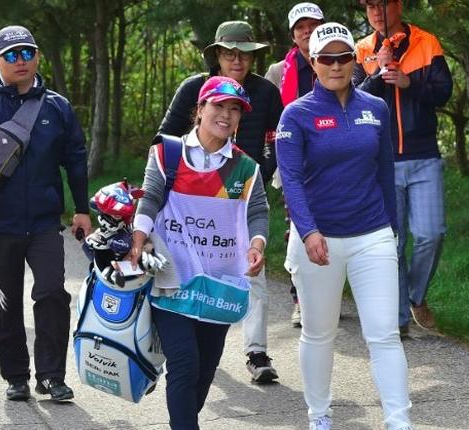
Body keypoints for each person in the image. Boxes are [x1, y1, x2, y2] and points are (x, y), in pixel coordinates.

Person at [277, 23, 413, 430]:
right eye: (326, 58)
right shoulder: (295, 114)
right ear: (313, 63)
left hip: (371, 234)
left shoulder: (376, 108)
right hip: (318, 240)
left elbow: (385, 172)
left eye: (343, 57)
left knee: (384, 334)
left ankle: (398, 420)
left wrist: (391, 230)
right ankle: (319, 415)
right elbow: (293, 181)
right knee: (319, 334)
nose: (336, 65)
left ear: (355, 60)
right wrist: (308, 231)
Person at [0, 25, 90, 402]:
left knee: (52, 295)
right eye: (11, 55)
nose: (20, 61)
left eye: (26, 52)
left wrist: (82, 209)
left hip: (44, 223)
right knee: (5, 303)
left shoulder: (58, 108)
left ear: (38, 56)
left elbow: (75, 160)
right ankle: (16, 376)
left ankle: (51, 376)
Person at [130, 76, 269, 429]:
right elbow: (150, 197)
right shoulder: (167, 153)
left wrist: (256, 245)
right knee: (185, 363)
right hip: (172, 279)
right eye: (219, 106)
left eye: (234, 109)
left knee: (204, 371)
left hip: (219, 286)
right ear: (200, 109)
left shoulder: (246, 168)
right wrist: (139, 236)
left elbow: (257, 212)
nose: (226, 114)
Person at [158, 20, 283, 384]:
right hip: (190, 196)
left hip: (241, 194)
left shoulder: (265, 92)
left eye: (245, 55)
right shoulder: (194, 88)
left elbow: (278, 136)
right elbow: (164, 136)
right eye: (230, 54)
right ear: (217, 55)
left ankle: (256, 351)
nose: (238, 61)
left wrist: (265, 167)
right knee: (186, 267)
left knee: (251, 269)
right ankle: (179, 340)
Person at [353, 0, 453, 334]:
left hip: (424, 156)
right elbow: (352, 101)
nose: (376, 11)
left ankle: (416, 296)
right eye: (368, 6)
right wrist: (380, 74)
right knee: (392, 244)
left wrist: (410, 83)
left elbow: (444, 92)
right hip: (382, 161)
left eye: (382, 3)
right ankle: (397, 321)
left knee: (431, 234)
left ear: (398, 5)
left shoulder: (427, 42)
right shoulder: (362, 49)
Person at [264, 2, 325, 328]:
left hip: (331, 162)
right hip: (294, 163)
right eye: (301, 27)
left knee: (329, 226)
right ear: (293, 34)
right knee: (299, 230)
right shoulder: (279, 72)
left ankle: (325, 294)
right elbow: (270, 120)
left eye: (313, 25)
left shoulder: (335, 61)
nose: (307, 31)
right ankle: (300, 298)